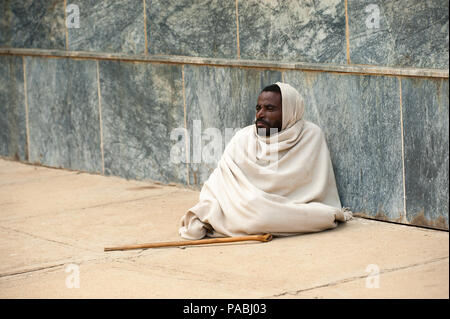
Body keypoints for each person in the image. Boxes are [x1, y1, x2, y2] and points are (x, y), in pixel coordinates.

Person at [179, 82, 352, 239]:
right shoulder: (243, 137)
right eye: (258, 108)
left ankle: (249, 218)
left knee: (268, 216)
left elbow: (313, 186)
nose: (260, 114)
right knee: (250, 212)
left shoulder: (310, 136)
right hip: (245, 205)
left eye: (269, 108)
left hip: (280, 209)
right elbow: (218, 186)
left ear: (289, 112)